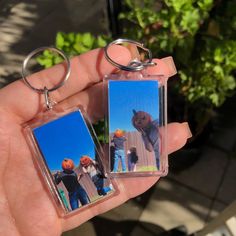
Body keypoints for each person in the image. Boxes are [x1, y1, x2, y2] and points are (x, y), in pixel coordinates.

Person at [0, 45, 192, 236]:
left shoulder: (147, 123)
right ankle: (101, 189)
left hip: (120, 163)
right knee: (88, 190)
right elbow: (77, 170)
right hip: (90, 179)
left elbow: (144, 145)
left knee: (99, 182)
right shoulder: (70, 161)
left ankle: (102, 188)